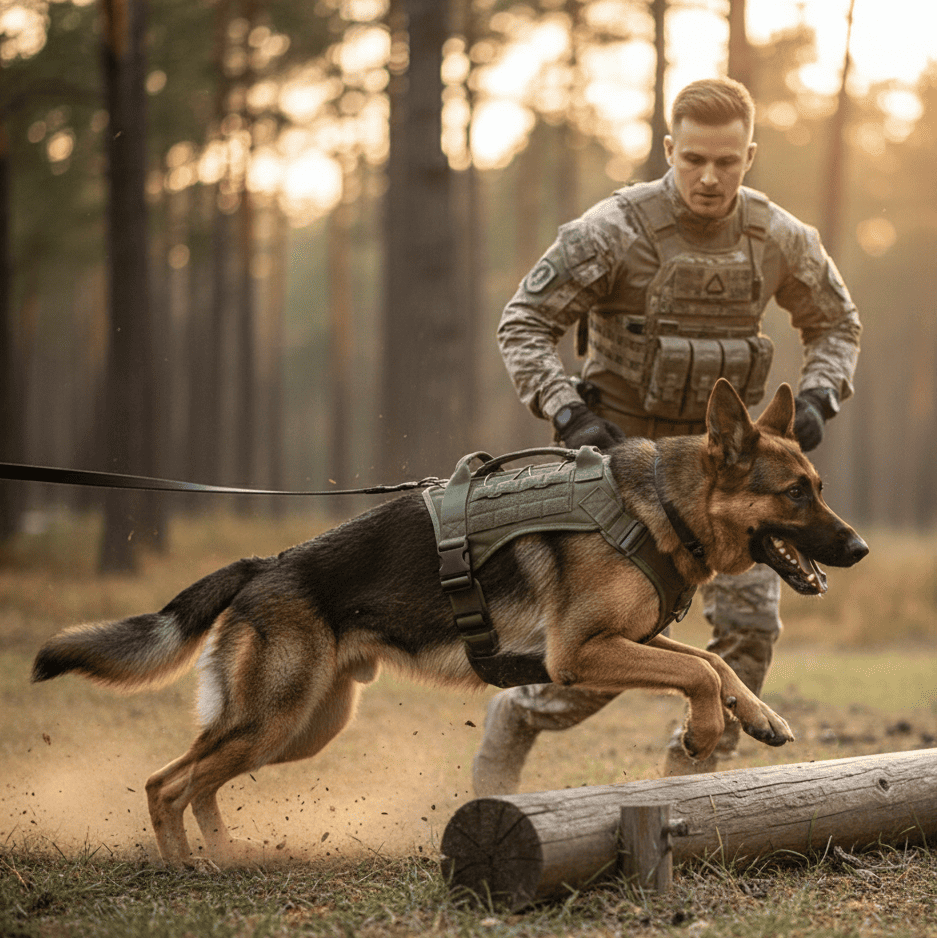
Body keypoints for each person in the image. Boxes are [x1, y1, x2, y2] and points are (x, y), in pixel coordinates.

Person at [473, 77, 861, 795]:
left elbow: (836, 323)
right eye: (693, 161)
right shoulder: (613, 230)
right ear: (669, 150)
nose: (709, 177)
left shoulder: (778, 237)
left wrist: (818, 395)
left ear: (749, 154)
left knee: (748, 632)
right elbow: (524, 322)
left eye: (727, 161)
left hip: (734, 473)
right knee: (605, 658)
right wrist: (567, 411)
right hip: (619, 477)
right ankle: (521, 715)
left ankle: (688, 798)